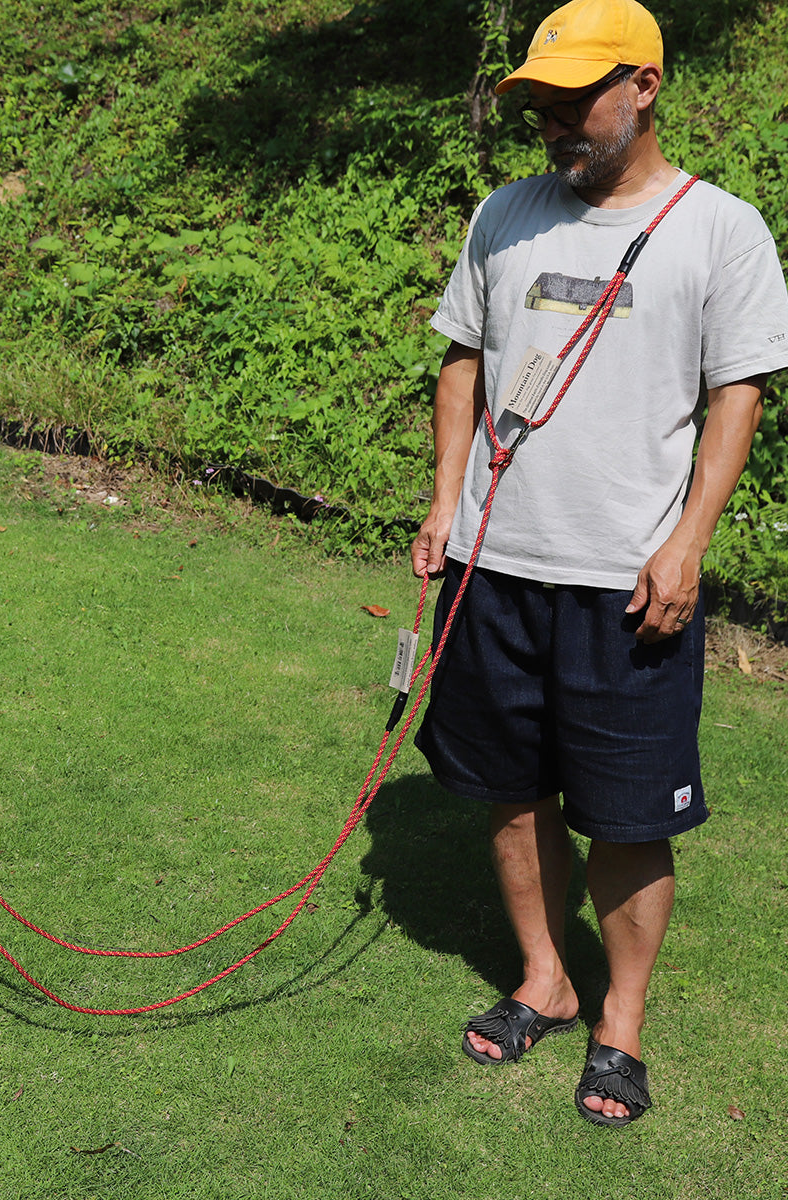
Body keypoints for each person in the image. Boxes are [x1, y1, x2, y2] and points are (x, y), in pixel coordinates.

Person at [410, 0, 788, 1126]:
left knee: (629, 815)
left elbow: (737, 395)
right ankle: (547, 979)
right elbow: (464, 363)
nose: (555, 125)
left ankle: (619, 1025)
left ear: (645, 85)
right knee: (509, 792)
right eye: (540, 105)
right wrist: (444, 503)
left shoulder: (720, 229)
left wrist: (688, 543)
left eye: (576, 101)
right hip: (493, 564)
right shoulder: (505, 215)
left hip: (629, 583)